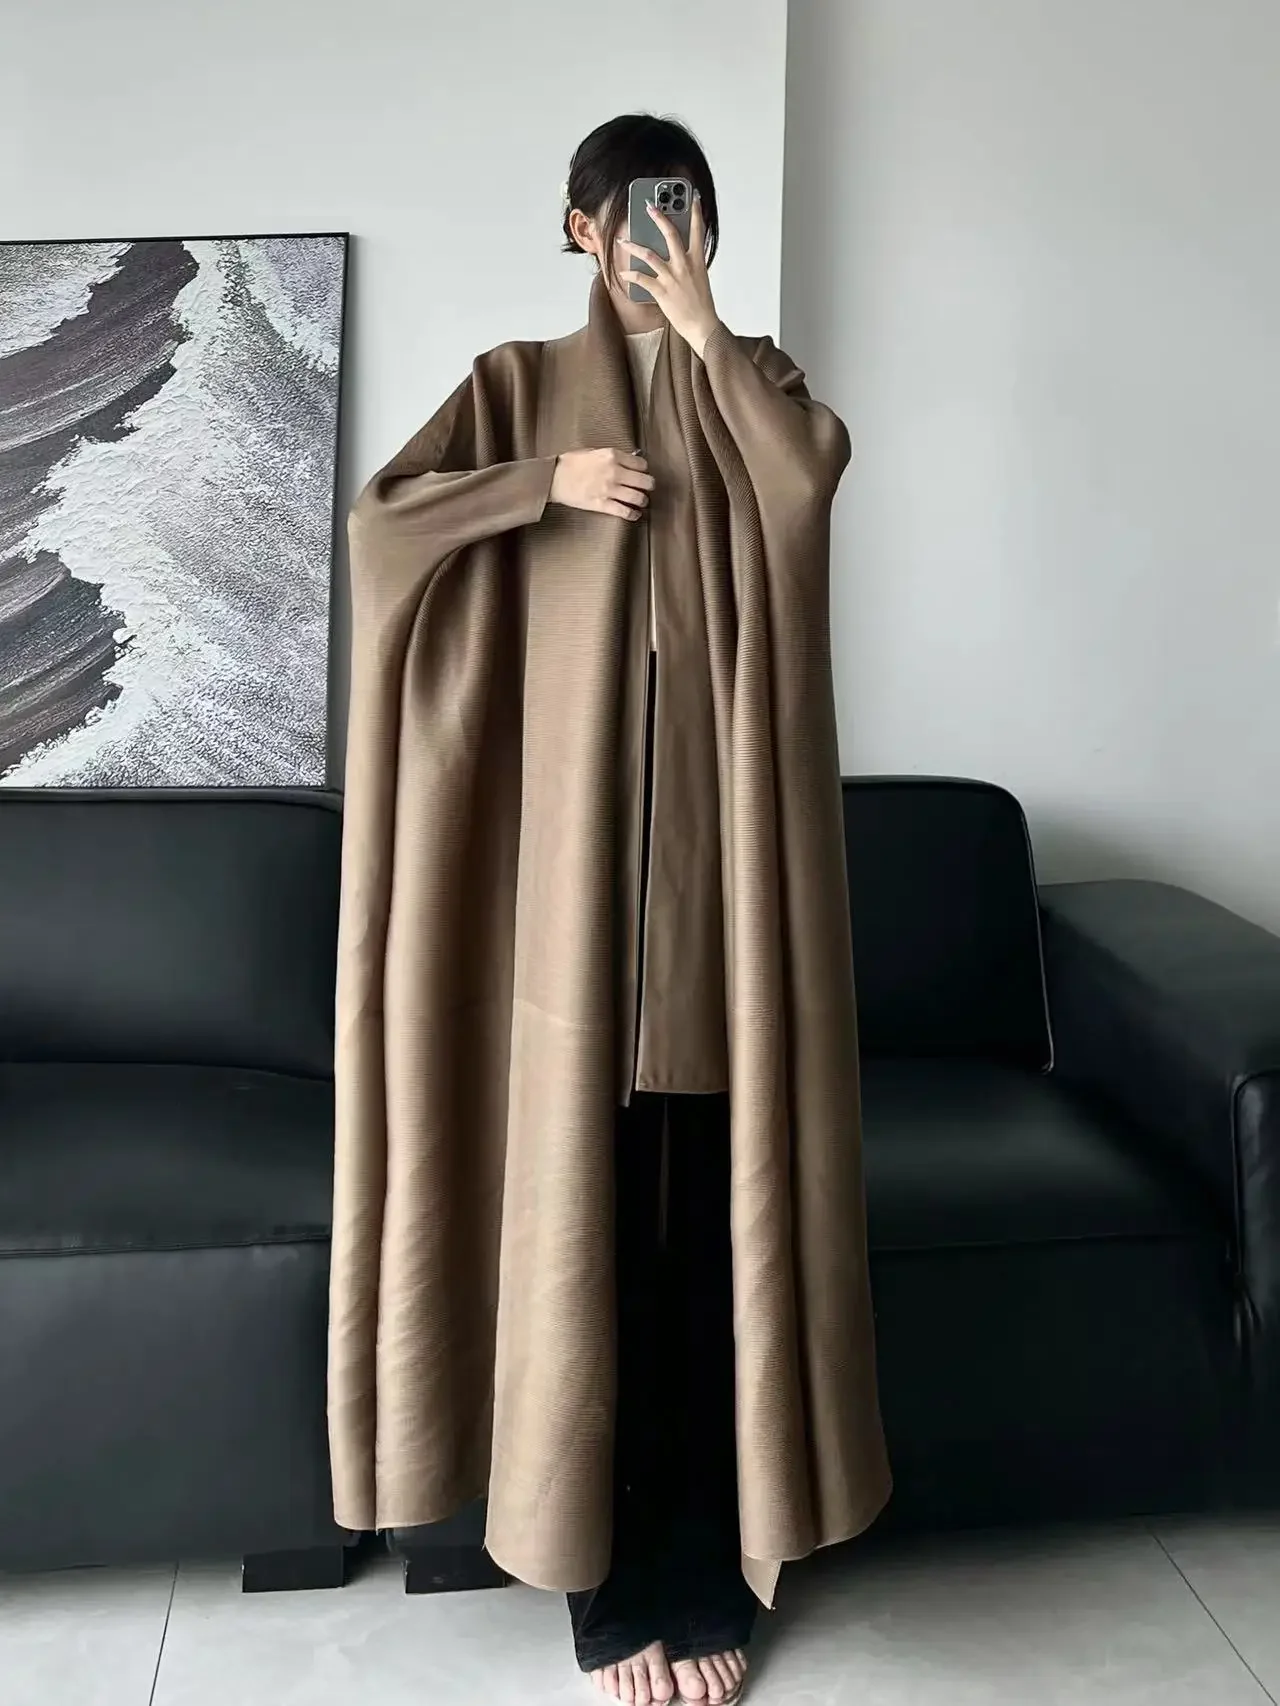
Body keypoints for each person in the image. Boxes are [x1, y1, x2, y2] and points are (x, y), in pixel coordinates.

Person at [327, 113, 890, 1706]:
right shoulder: (517, 384)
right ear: (581, 226)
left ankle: (705, 1568)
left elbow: (808, 483)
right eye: (635, 207)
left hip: (723, 905)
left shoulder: (750, 379)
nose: (660, 229)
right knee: (595, 1239)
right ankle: (605, 1582)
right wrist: (542, 484)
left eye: (685, 203)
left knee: (712, 1233)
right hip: (567, 917)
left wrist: (709, 339)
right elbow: (383, 526)